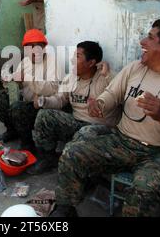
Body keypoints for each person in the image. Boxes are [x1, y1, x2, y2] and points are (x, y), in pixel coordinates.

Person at [51, 20, 160, 217]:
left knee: (147, 186)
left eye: (150, 38)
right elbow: (111, 93)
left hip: (159, 152)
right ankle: (65, 209)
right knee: (73, 152)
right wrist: (99, 104)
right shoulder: (135, 68)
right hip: (121, 141)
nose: (142, 41)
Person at [27, 41, 119, 175]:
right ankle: (47, 158)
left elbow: (123, 94)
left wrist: (108, 75)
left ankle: (86, 173)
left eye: (77, 57)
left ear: (91, 62)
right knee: (44, 115)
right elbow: (59, 100)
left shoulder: (106, 77)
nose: (72, 60)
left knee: (86, 133)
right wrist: (43, 101)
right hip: (77, 124)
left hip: (101, 129)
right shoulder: (71, 78)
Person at [0, 29, 60, 151]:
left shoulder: (53, 62)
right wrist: (10, 82)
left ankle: (27, 143)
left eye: (38, 47)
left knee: (18, 108)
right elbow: (18, 86)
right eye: (30, 48)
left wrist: (27, 78)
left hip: (42, 106)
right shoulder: (25, 62)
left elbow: (52, 88)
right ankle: (12, 130)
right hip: (26, 101)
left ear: (44, 48)